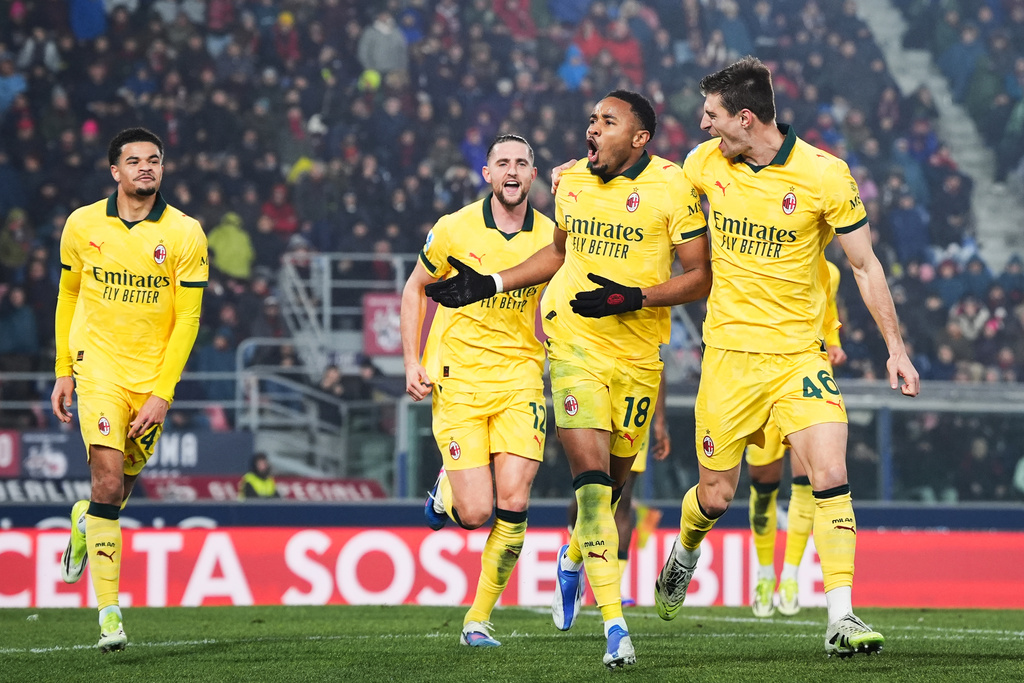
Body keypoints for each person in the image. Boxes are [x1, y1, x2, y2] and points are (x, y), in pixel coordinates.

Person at [426, 90, 712, 669]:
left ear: (639, 138)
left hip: (638, 358)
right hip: (574, 348)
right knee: (591, 487)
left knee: (612, 490)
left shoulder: (674, 188)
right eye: (591, 120)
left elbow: (701, 278)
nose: (593, 129)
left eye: (608, 122)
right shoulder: (571, 183)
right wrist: (492, 283)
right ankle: (615, 629)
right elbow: (557, 256)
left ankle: (574, 558)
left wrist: (634, 296)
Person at [647, 57, 918, 658]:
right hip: (728, 360)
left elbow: (866, 266)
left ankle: (841, 616)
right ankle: (685, 549)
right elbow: (643, 181)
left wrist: (895, 349)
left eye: (712, 115)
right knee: (716, 496)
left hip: (799, 357)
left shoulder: (826, 176)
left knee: (831, 474)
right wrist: (582, 174)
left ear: (745, 117)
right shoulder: (703, 164)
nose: (702, 125)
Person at [51, 127, 208, 652]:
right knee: (110, 482)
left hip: (152, 379)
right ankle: (110, 615)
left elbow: (188, 320)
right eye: (134, 160)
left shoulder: (185, 233)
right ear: (114, 171)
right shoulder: (81, 224)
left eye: (155, 160)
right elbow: (68, 296)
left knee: (114, 494)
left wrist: (164, 392)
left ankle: (83, 521)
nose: (146, 167)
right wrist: (62, 368)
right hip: (97, 367)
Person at [400, 134, 555, 649]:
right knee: (476, 514)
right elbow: (414, 289)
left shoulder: (554, 237)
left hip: (521, 381)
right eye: (502, 163)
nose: (512, 171)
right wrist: (410, 361)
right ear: (487, 174)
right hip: (459, 380)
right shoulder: (453, 228)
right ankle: (447, 489)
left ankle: (478, 620)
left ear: (533, 176)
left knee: (514, 502)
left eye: (522, 164)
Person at [746, 260, 848, 618]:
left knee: (807, 482)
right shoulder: (767, 257)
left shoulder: (830, 273)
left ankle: (790, 574)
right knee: (763, 485)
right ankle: (763, 572)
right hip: (762, 381)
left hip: (808, 384)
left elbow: (829, 313)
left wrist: (833, 343)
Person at [566, 372, 669, 606]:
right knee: (590, 495)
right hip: (596, 398)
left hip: (634, 406)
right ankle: (574, 556)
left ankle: (613, 586)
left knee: (622, 496)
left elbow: (658, 367)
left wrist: (660, 420)